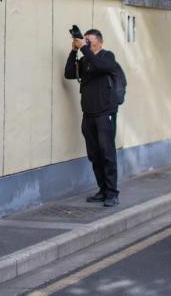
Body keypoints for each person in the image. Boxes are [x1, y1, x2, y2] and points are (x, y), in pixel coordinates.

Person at [64, 29, 121, 207]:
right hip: (88, 115)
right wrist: (74, 50)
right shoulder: (84, 59)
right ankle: (102, 190)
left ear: (100, 42)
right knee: (94, 155)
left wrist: (84, 49)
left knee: (107, 155)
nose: (86, 43)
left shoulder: (107, 56)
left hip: (105, 114)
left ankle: (112, 193)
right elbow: (69, 73)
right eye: (84, 40)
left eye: (89, 40)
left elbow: (101, 67)